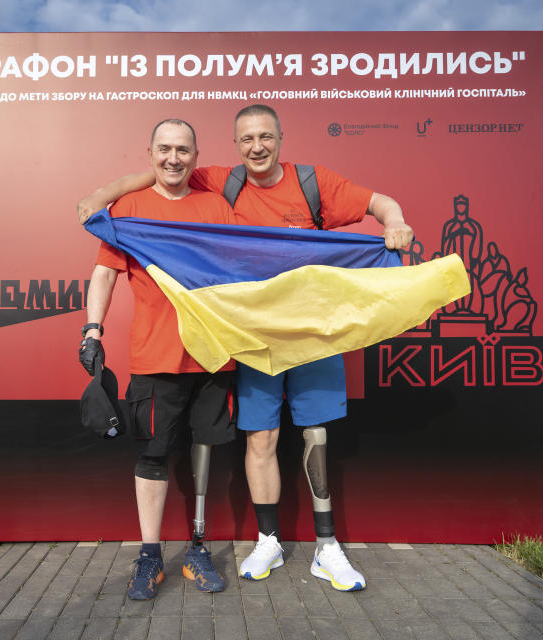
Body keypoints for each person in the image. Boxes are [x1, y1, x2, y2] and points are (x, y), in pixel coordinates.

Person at [77, 105, 414, 592]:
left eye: (265, 137)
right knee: (239, 442)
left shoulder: (276, 188)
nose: (257, 147)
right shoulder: (186, 195)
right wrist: (100, 196)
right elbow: (145, 193)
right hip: (222, 346)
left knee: (302, 437)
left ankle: (322, 547)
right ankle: (233, 544)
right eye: (247, 139)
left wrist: (396, 222)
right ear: (234, 146)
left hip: (276, 340)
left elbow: (376, 204)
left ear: (280, 137)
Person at [78, 118, 237, 600]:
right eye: (165, 149)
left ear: (196, 155)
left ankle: (197, 547)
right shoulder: (129, 208)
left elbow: (243, 271)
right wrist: (91, 328)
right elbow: (104, 275)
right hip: (154, 358)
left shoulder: (216, 206)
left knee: (205, 449)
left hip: (213, 357)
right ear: (149, 155)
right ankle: (149, 555)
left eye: (183, 150)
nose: (174, 158)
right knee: (151, 454)